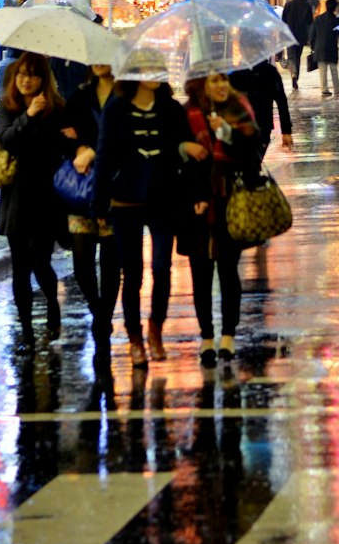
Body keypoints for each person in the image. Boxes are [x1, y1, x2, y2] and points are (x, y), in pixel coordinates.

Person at [92, 68, 196, 369]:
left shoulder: (171, 107)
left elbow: (184, 145)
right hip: (125, 198)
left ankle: (156, 330)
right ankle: (135, 338)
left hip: (164, 197)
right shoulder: (115, 108)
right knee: (133, 273)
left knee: (162, 268)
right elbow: (104, 155)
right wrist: (98, 206)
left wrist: (186, 148)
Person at [183, 71, 261, 365]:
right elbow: (177, 155)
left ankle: (228, 334)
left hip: (231, 202)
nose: (220, 85)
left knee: (229, 271)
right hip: (196, 205)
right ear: (201, 84)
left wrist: (226, 132)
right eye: (213, 80)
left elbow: (253, 146)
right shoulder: (188, 112)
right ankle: (206, 337)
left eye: (223, 79)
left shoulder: (238, 107)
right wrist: (184, 147)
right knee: (200, 274)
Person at [0, 53, 67, 351]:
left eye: (33, 75)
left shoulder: (57, 108)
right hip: (16, 197)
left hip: (47, 197)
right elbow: (6, 140)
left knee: (41, 263)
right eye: (22, 74)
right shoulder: (7, 106)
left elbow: (60, 148)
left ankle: (52, 302)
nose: (26, 80)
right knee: (20, 267)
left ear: (43, 80)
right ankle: (26, 331)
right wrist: (29, 116)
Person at [60, 63, 121, 369]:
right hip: (82, 190)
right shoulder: (79, 96)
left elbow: (128, 140)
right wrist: (78, 148)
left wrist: (95, 150)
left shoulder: (124, 96)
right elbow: (65, 134)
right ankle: (98, 311)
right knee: (82, 261)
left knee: (111, 261)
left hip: (115, 189)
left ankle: (105, 317)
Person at [231, 61, 293, 156]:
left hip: (261, 125)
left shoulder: (269, 72)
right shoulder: (239, 73)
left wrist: (286, 130)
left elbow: (281, 101)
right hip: (245, 125)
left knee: (253, 160)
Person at [281, 0, 314, 89]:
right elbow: (310, 21)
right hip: (301, 35)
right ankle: (296, 76)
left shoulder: (288, 4)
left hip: (290, 34)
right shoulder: (307, 5)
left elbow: (284, 20)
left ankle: (293, 74)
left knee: (291, 56)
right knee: (298, 57)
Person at [309, 0, 339, 96]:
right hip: (331, 48)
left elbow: (312, 34)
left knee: (322, 71)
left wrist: (312, 46)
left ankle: (324, 89)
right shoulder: (336, 20)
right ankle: (337, 89)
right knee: (334, 70)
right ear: (334, 8)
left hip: (319, 48)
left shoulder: (318, 19)